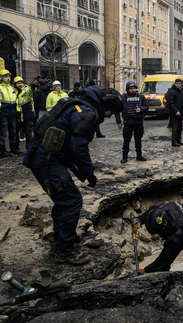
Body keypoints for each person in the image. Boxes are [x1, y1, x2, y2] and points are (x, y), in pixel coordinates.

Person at [23, 85, 123, 265]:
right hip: (46, 159)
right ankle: (65, 250)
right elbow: (78, 148)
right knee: (71, 200)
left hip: (45, 155)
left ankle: (61, 241)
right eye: (111, 112)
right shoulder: (86, 113)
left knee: (63, 200)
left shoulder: (77, 104)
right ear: (104, 105)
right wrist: (89, 174)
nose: (108, 116)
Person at [136, 201, 183, 274]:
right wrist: (139, 219)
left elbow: (164, 258)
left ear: (165, 223)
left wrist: (146, 270)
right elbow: (150, 213)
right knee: (163, 266)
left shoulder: (174, 236)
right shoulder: (160, 210)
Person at [0, 69, 21, 157]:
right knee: (3, 133)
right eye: (6, 77)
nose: (8, 78)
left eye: (9, 77)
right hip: (3, 113)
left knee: (13, 132)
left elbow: (16, 100)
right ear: (1, 78)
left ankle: (13, 148)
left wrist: (18, 110)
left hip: (12, 113)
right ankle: (3, 151)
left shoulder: (11, 88)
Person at [117, 81, 149, 163]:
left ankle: (139, 155)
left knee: (138, 140)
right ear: (127, 89)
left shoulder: (140, 96)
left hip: (138, 122)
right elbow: (117, 110)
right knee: (126, 141)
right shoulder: (123, 97)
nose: (132, 90)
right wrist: (118, 122)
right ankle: (124, 157)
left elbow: (146, 107)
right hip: (128, 122)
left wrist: (141, 109)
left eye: (134, 88)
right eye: (130, 89)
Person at [14, 76, 36, 150]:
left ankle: (29, 148)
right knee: (15, 133)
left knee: (28, 134)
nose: (20, 85)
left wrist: (32, 88)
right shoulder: (13, 92)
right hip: (18, 116)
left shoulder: (26, 90)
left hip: (27, 115)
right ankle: (16, 148)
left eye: (21, 83)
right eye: (18, 83)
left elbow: (30, 92)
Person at [165, 78, 183, 147]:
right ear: (175, 83)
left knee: (180, 127)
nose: (178, 85)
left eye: (179, 84)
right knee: (175, 128)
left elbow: (182, 101)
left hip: (181, 112)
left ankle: (178, 140)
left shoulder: (181, 91)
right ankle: (174, 141)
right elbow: (171, 103)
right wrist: (176, 111)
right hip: (174, 113)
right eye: (177, 84)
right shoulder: (172, 91)